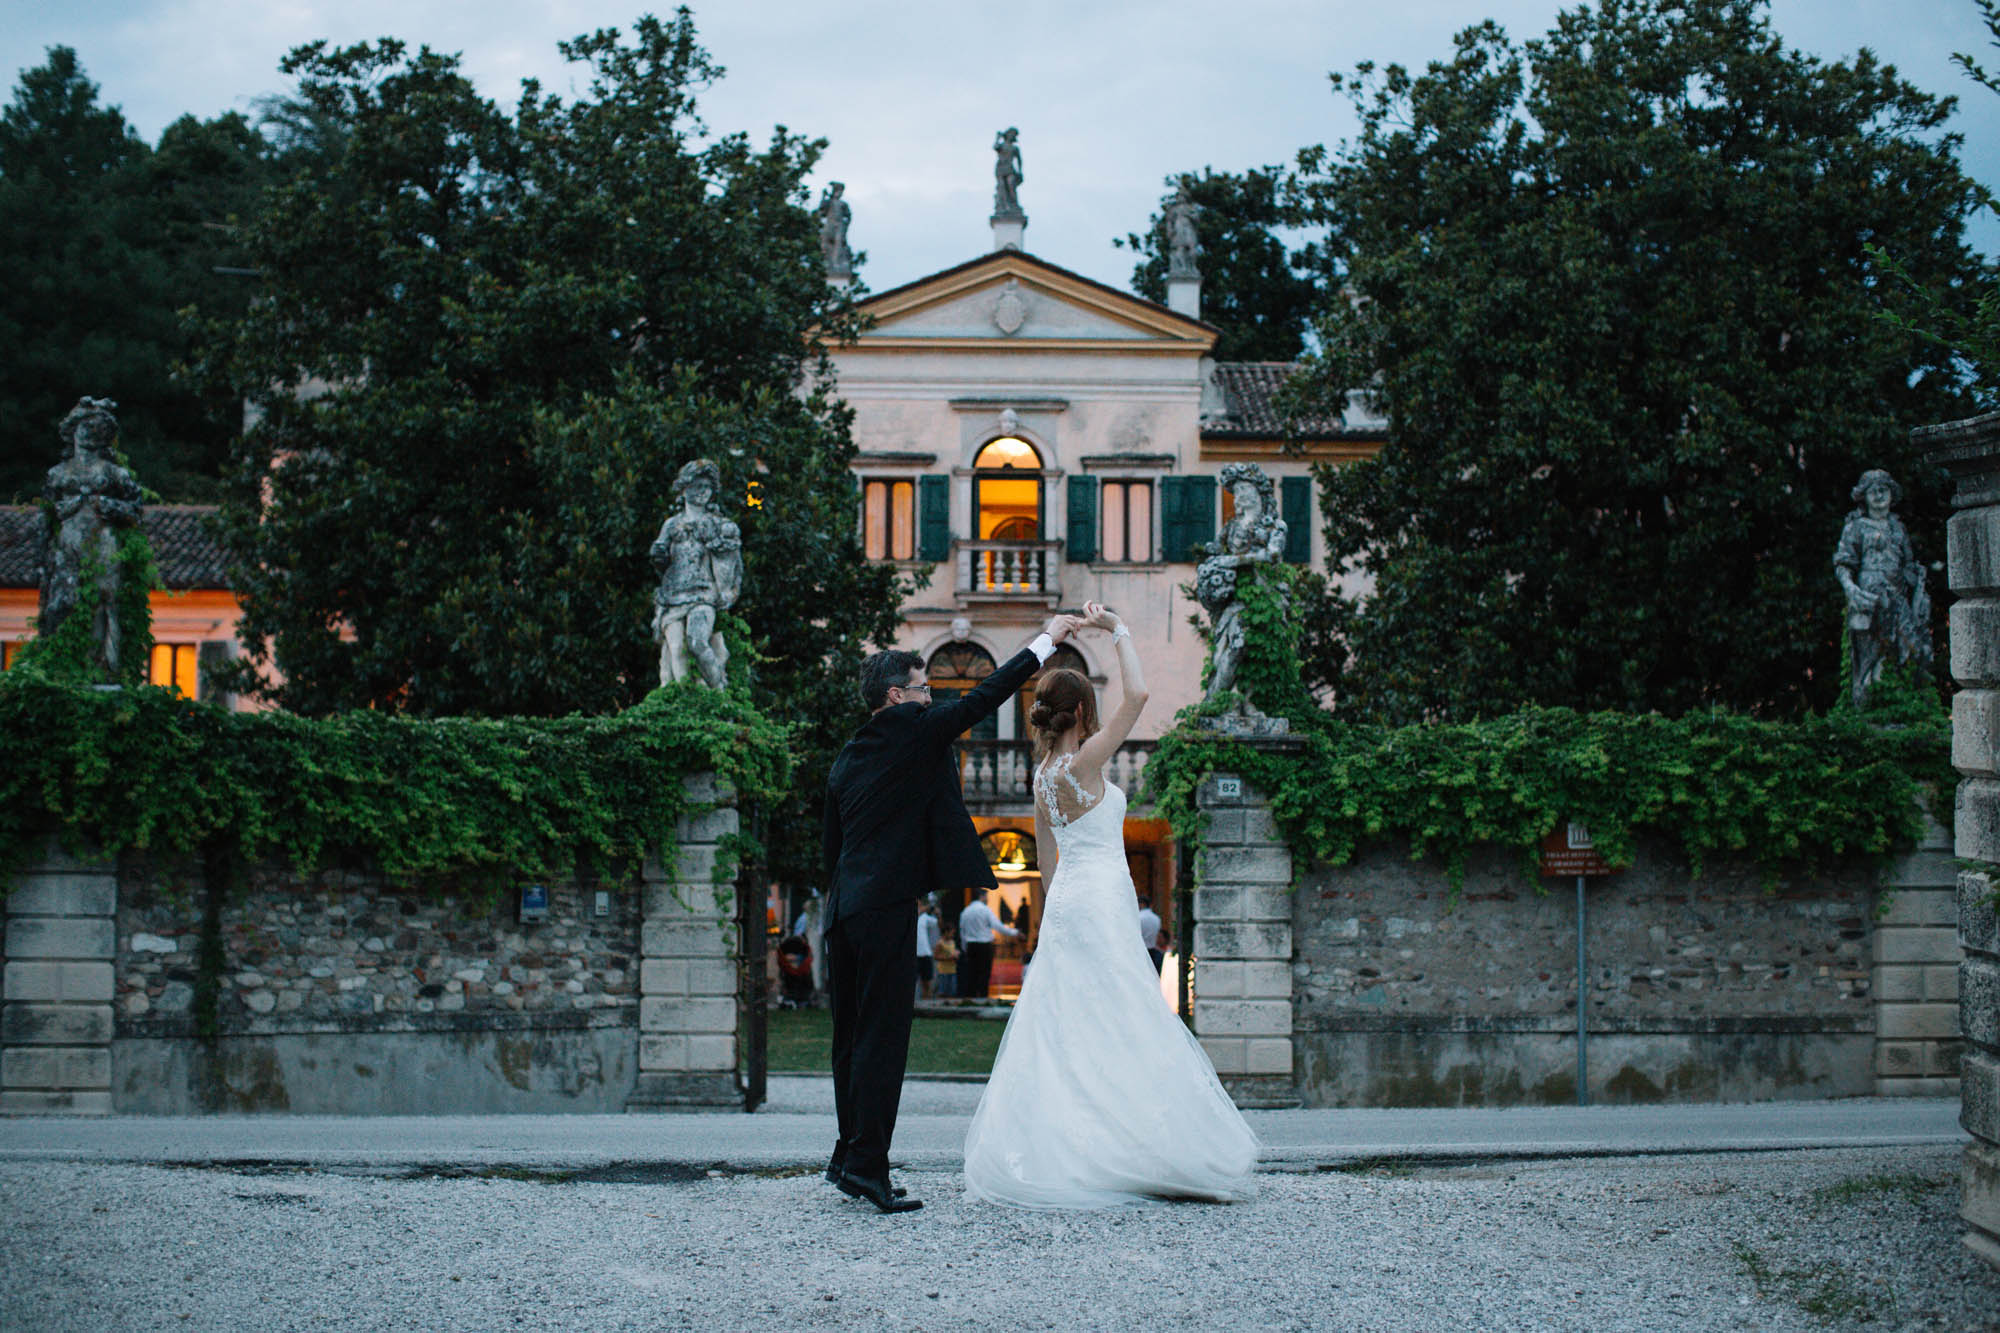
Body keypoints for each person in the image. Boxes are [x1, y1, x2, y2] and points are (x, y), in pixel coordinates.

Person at [964, 602, 1259, 1209]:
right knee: (1123, 1010)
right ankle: (1132, 1143)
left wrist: (1059, 911)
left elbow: (1047, 862)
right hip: (1100, 895)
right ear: (1081, 712)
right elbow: (1142, 692)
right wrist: (1119, 629)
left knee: (1070, 1018)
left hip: (1070, 897)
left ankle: (1075, 1141)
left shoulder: (1043, 775)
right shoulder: (1087, 759)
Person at [821, 615, 1080, 1214]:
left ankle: (848, 1156)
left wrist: (844, 898)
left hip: (845, 910)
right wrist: (1047, 640)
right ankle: (867, 1169)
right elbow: (986, 695)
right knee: (883, 1041)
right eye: (924, 690)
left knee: (849, 1041)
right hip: (884, 907)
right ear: (898, 698)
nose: (930, 700)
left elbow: (832, 849)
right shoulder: (911, 730)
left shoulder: (848, 754)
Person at [1833, 468, 1931, 710]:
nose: (1878, 495)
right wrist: (1852, 591)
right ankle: (1868, 709)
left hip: (1897, 598)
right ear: (1863, 496)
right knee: (1869, 659)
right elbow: (1843, 564)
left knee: (1914, 650)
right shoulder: (1856, 527)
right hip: (1869, 599)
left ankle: (1903, 705)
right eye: (1873, 491)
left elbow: (1908, 565)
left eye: (1883, 490)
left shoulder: (1898, 528)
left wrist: (1917, 582)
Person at [649, 459, 743, 690]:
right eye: (697, 486)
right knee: (676, 649)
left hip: (703, 594)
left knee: (697, 641)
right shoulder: (671, 525)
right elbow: (661, 564)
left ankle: (719, 691)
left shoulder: (719, 525)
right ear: (684, 488)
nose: (703, 492)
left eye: (707, 487)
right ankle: (680, 699)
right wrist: (658, 557)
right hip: (674, 595)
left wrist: (729, 592)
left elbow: (733, 565)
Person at [957, 887, 1019, 1001]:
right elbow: (997, 926)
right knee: (984, 973)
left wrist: (964, 947)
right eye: (986, 896)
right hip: (984, 945)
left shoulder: (966, 911)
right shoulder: (985, 910)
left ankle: (972, 998)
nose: (987, 899)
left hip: (971, 946)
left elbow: (962, 931)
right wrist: (1014, 932)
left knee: (972, 973)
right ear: (982, 896)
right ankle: (983, 997)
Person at [915, 898, 940, 1001]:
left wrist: (937, 914)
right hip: (914, 954)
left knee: (927, 981)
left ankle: (927, 1002)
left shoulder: (924, 917)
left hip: (925, 953)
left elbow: (937, 923)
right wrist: (927, 907)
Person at [1136, 894, 1164, 974]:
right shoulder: (1156, 918)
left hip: (1141, 951)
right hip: (1153, 950)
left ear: (1141, 904)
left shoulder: (1139, 917)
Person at [933, 925, 959, 998]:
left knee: (952, 991)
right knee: (942, 991)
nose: (953, 935)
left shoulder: (952, 942)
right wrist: (948, 958)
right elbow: (935, 956)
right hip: (943, 971)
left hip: (952, 970)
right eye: (951, 933)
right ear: (946, 932)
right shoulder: (940, 943)